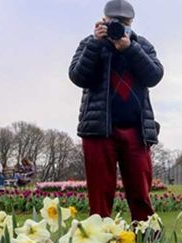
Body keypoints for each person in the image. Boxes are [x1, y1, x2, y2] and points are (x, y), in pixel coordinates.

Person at [69, 0, 163, 222]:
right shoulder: (89, 44)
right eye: (114, 22)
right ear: (104, 20)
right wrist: (95, 43)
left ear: (131, 23)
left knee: (141, 194)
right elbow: (78, 76)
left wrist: (130, 49)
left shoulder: (142, 45)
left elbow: (154, 76)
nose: (118, 26)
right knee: (99, 196)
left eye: (124, 22)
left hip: (136, 130)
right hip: (100, 130)